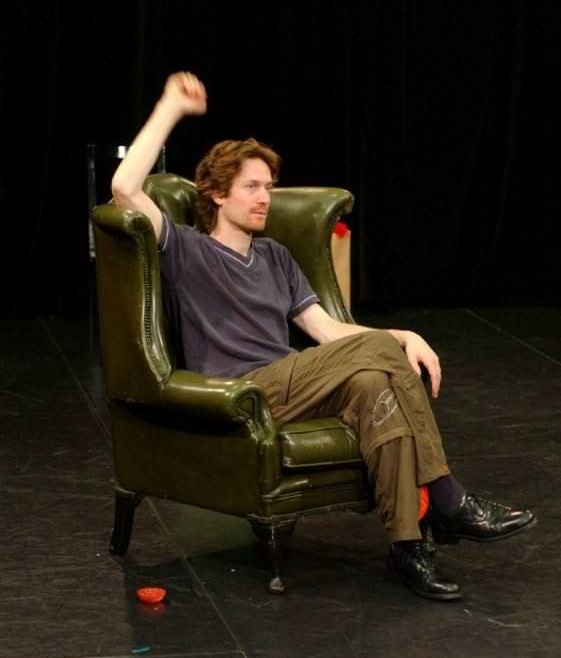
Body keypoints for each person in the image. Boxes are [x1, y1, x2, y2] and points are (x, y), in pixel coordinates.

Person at [112, 72, 535, 601]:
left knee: (375, 388)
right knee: (382, 352)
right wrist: (171, 106)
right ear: (217, 195)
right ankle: (448, 499)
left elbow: (326, 331)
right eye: (251, 187)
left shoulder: (275, 257)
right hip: (241, 391)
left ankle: (408, 546)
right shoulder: (188, 251)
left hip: (295, 380)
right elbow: (125, 187)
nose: (265, 197)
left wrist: (403, 333)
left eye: (268, 186)